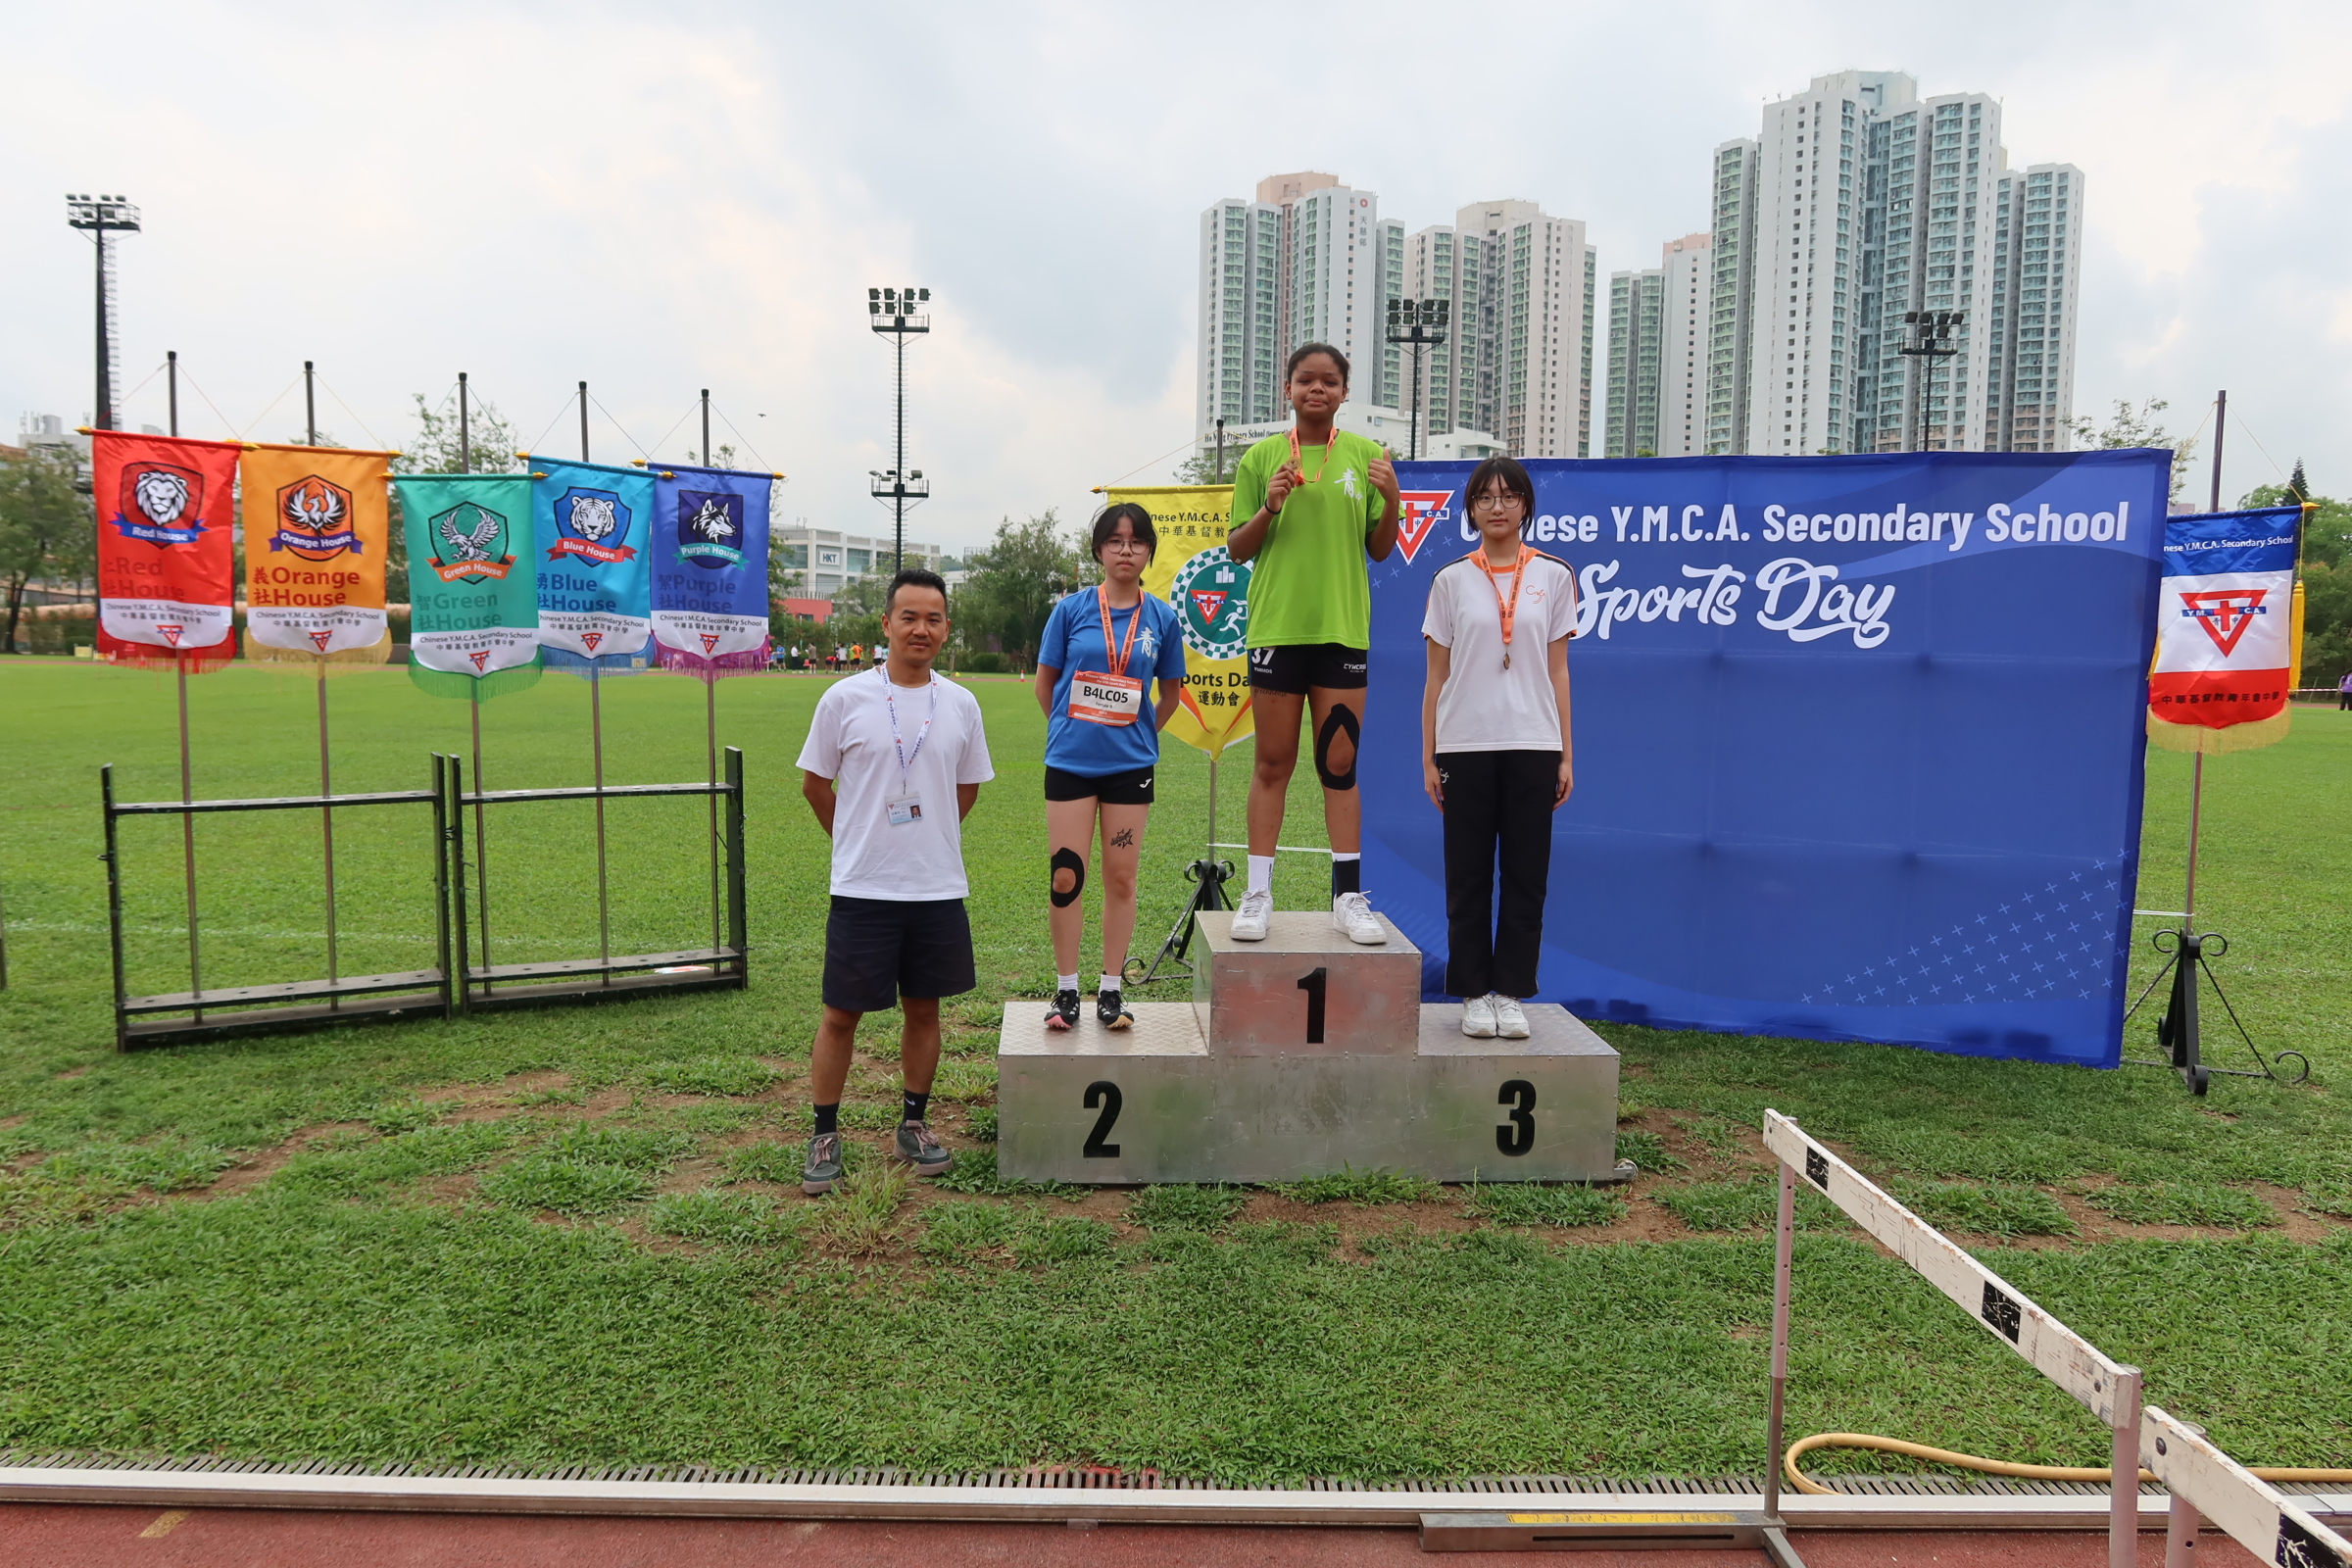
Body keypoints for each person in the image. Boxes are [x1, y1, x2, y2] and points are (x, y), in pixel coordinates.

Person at [795, 567, 995, 1195]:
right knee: (840, 1015)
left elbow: (966, 789)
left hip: (936, 888)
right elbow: (815, 785)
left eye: (933, 619)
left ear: (946, 629)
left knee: (925, 1009)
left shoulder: (961, 704)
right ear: (886, 624)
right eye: (909, 617)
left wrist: (925, 839)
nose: (920, 629)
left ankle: (913, 1123)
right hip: (864, 889)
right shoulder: (845, 698)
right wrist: (858, 840)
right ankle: (824, 1133)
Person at [1225, 342, 1401, 945]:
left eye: (1329, 381)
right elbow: (1237, 549)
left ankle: (1348, 898)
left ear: (1345, 392)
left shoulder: (1368, 457)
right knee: (1272, 763)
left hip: (1341, 630)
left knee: (1340, 764)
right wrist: (1269, 507)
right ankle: (1257, 895)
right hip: (1278, 629)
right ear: (1289, 389)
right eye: (1306, 380)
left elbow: (1380, 548)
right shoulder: (1261, 458)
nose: (1317, 389)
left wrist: (1393, 500)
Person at [1419, 456, 1577, 1040]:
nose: (1498, 507)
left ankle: (1510, 993)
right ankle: (1472, 992)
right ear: (1471, 509)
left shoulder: (1554, 576)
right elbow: (1436, 678)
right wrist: (1430, 756)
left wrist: (1565, 753)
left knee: (1526, 876)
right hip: (1464, 745)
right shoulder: (1451, 580)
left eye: (1510, 496)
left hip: (1534, 742)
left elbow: (1558, 671)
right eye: (1485, 497)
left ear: (1526, 505)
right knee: (1467, 875)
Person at [1032, 503, 1189, 1030]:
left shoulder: (1162, 618)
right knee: (1066, 875)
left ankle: (1111, 990)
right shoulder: (1070, 611)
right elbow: (1045, 686)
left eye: (1137, 541)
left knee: (1121, 879)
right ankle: (1066, 991)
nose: (1126, 550)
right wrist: (1076, 730)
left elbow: (1171, 694)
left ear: (1149, 551)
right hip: (1071, 764)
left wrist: (1137, 734)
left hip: (1130, 768)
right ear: (1099, 549)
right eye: (1115, 541)